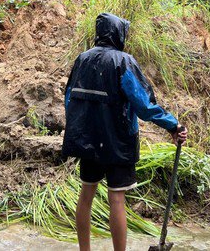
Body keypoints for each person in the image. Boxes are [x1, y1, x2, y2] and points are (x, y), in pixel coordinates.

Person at [62, 13, 187, 251]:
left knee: (86, 194)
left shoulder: (82, 59)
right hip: (118, 141)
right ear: (119, 34)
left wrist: (80, 130)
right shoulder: (124, 62)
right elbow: (144, 105)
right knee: (116, 199)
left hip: (87, 140)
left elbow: (69, 99)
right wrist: (173, 125)